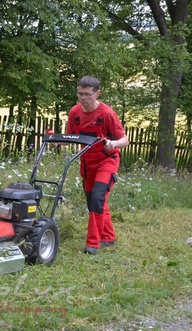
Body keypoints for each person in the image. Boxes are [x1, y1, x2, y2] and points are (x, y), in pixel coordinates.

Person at [65, 76, 129, 255]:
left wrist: (113, 144)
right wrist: (55, 141)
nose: (83, 98)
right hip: (87, 163)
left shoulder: (107, 113)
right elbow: (70, 137)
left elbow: (125, 140)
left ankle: (93, 244)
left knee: (98, 198)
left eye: (87, 94)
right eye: (80, 94)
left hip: (107, 160)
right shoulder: (75, 112)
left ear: (97, 93)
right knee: (94, 201)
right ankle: (108, 236)